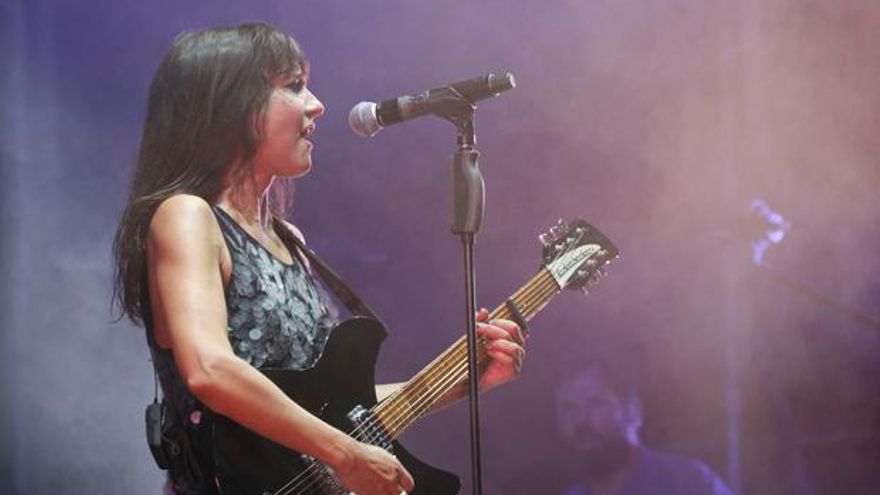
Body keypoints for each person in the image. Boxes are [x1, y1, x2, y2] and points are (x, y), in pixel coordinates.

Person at [113, 22, 524, 495]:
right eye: (293, 85)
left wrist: (461, 381)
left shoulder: (289, 239)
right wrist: (345, 454)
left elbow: (328, 413)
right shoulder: (188, 216)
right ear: (230, 104)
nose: (316, 104)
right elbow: (209, 368)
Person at [556, 356, 731, 495]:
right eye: (569, 408)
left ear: (633, 410)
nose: (580, 420)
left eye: (596, 403)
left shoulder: (689, 485)